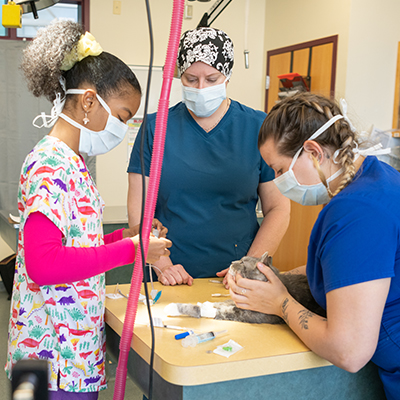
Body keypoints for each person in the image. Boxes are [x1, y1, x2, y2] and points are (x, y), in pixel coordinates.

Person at [5, 20, 172, 399]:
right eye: (124, 116)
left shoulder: (73, 161)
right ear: (89, 101)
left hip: (72, 354)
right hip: (48, 360)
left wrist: (124, 237)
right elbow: (43, 263)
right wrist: (132, 251)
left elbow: (77, 243)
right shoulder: (48, 163)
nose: (123, 128)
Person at [227, 92, 400, 399]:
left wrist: (280, 302)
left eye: (279, 170)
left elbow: (349, 350)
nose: (279, 180)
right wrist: (282, 278)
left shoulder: (355, 211)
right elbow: (353, 268)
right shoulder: (376, 178)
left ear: (313, 151)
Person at [127, 27, 290, 286]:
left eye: (212, 79)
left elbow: (278, 208)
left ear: (227, 76)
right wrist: (162, 265)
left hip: (239, 275)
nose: (201, 88)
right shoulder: (154, 128)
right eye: (191, 79)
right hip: (168, 273)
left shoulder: (260, 127)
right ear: (180, 75)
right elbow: (140, 211)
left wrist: (249, 265)